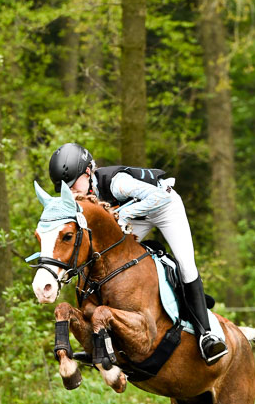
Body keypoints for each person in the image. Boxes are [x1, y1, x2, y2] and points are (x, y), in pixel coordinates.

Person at [48, 142, 228, 365]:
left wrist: (121, 215)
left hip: (164, 207)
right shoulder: (84, 196)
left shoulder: (116, 182)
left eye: (72, 184)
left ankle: (206, 335)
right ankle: (100, 339)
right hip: (134, 214)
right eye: (64, 188)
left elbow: (159, 198)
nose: (70, 191)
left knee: (185, 265)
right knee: (100, 258)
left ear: (87, 172)